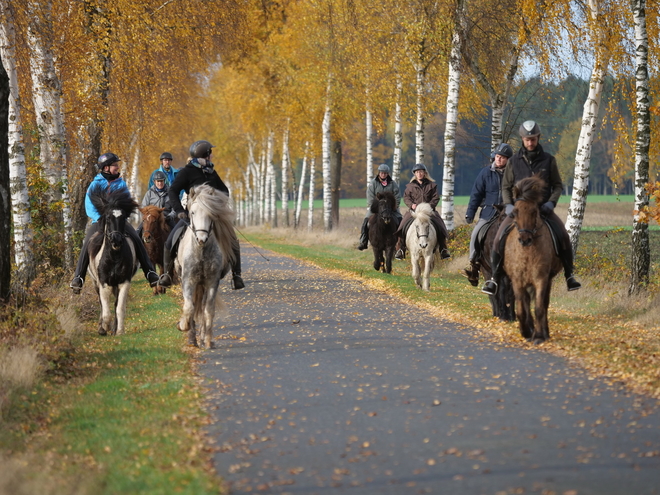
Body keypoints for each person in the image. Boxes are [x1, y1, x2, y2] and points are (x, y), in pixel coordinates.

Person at [481, 121, 582, 295]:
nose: (530, 142)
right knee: (498, 238)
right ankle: (494, 279)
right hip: (518, 211)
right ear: (522, 139)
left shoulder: (548, 160)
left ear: (538, 138)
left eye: (533, 139)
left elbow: (557, 185)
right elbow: (506, 187)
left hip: (543, 210)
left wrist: (551, 203)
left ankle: (569, 275)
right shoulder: (513, 161)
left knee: (563, 235)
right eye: (527, 139)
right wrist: (510, 205)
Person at [157, 140, 245, 290]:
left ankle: (236, 275)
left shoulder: (211, 172)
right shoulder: (186, 172)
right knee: (170, 241)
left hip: (213, 216)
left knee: (233, 240)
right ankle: (166, 274)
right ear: (205, 155)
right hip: (191, 215)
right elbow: (173, 191)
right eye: (210, 153)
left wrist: (218, 205)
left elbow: (225, 191)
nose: (211, 156)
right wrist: (179, 211)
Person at [70, 152, 160, 293]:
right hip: (100, 220)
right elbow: (89, 206)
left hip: (119, 221)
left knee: (136, 237)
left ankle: (150, 273)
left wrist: (122, 216)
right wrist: (100, 218)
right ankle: (78, 278)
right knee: (88, 241)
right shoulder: (95, 185)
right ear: (106, 168)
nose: (118, 167)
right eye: (115, 165)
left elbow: (126, 202)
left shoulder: (121, 183)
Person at [464, 142, 513, 286]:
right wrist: (470, 213)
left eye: (502, 157)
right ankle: (474, 265)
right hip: (489, 212)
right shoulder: (485, 172)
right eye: (497, 156)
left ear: (508, 160)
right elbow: (476, 194)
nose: (499, 159)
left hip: (508, 213)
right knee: (476, 234)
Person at [394, 163, 450, 260]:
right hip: (414, 212)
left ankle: (443, 248)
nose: (419, 174)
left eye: (421, 172)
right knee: (402, 226)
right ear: (414, 174)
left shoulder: (432, 185)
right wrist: (411, 205)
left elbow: (436, 198)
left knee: (440, 225)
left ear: (424, 173)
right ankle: (401, 249)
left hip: (429, 212)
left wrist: (429, 206)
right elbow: (406, 198)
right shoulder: (410, 186)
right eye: (417, 172)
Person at [357, 164, 402, 250]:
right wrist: (377, 208)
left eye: (385, 173)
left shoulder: (393, 184)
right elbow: (370, 197)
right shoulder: (373, 183)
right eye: (382, 173)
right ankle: (363, 241)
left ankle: (402, 244)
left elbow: (397, 196)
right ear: (379, 173)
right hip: (376, 209)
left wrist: (394, 206)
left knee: (401, 221)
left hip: (391, 208)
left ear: (388, 174)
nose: (383, 175)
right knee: (366, 222)